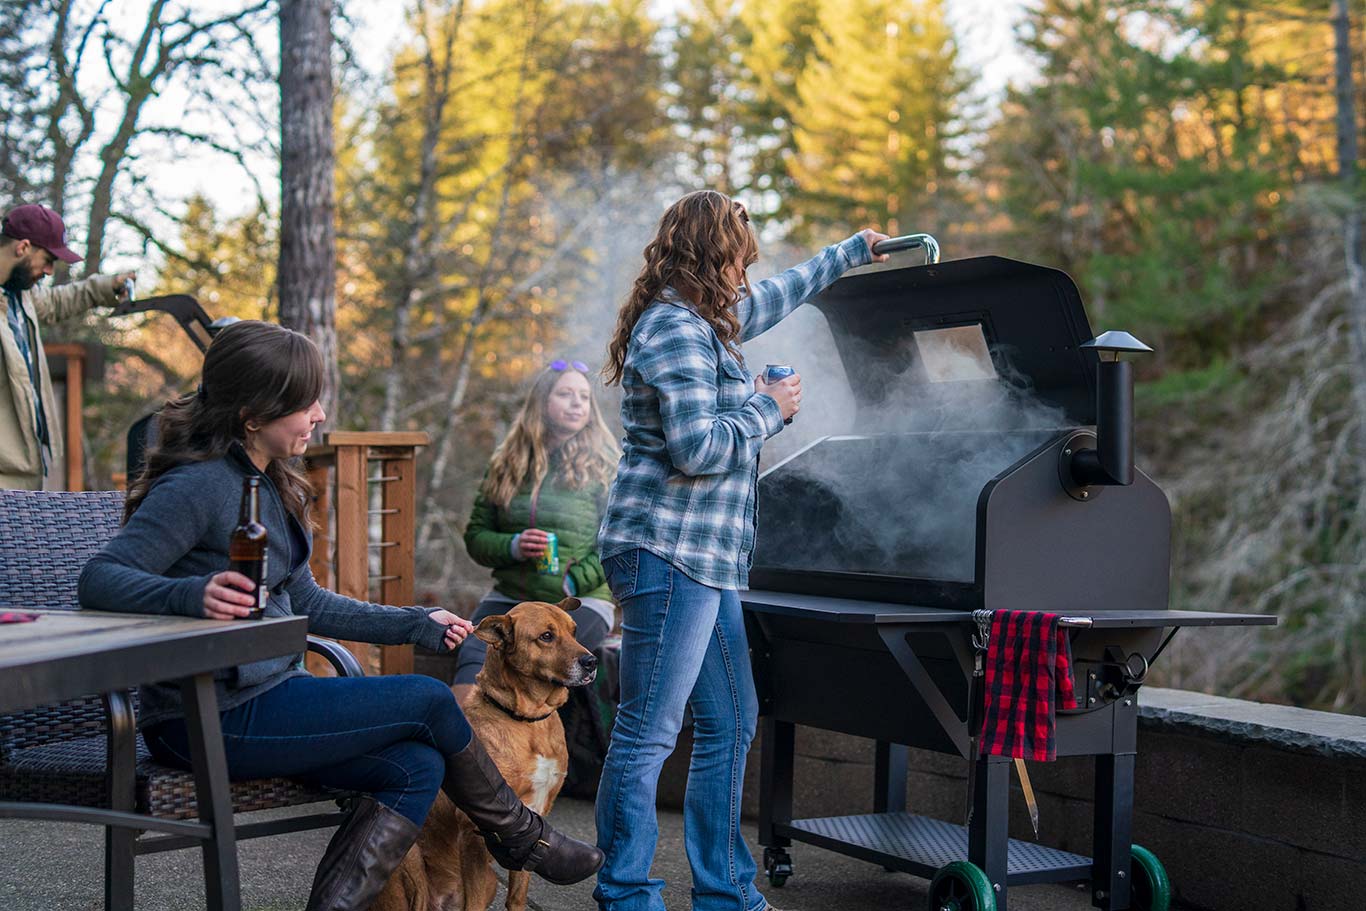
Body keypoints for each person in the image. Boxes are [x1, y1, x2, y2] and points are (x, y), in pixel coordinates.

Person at [77, 321, 603, 911]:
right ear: (254, 414)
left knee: (413, 764)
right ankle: (524, 838)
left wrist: (414, 622)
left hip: (270, 696)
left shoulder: (269, 485)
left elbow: (309, 602)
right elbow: (99, 578)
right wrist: (190, 595)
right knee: (430, 700)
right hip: (205, 715)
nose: (321, 414)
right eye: (306, 403)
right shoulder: (199, 486)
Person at [593, 189, 888, 911]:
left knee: (730, 719)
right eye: (737, 260)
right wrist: (768, 408)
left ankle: (724, 890)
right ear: (706, 258)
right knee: (648, 729)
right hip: (665, 550)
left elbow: (783, 294)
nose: (746, 275)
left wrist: (852, 251)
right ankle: (625, 891)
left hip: (706, 560)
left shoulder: (709, 323)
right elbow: (696, 448)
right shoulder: (675, 331)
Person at [454, 358, 620, 706]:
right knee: (472, 655)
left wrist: (572, 582)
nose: (577, 403)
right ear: (542, 402)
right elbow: (476, 537)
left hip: (578, 601)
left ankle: (542, 757)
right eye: (565, 394)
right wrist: (513, 546)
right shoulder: (507, 462)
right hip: (512, 596)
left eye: (584, 397)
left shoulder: (607, 465)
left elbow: (618, 542)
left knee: (549, 662)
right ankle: (467, 752)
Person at [0, 203, 134, 489]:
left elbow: (56, 302)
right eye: (48, 259)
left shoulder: (19, 295)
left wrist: (105, 287)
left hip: (24, 475)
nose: (49, 270)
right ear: (23, 247)